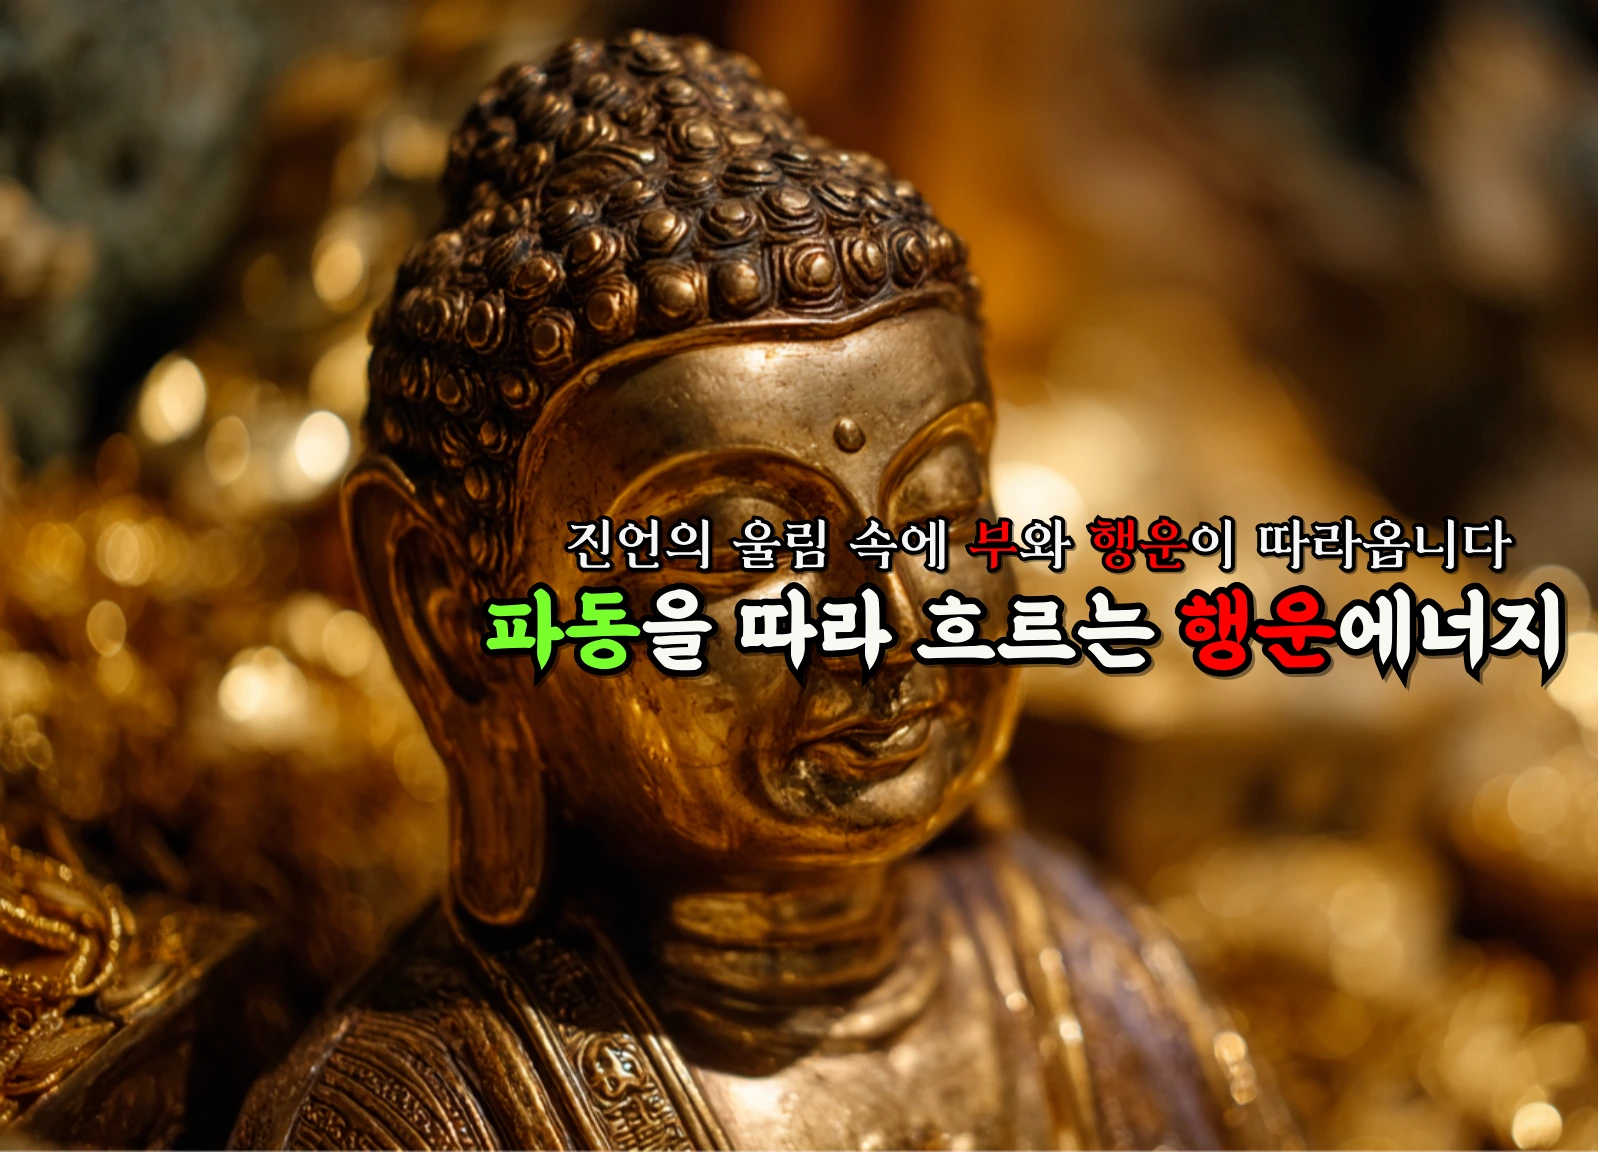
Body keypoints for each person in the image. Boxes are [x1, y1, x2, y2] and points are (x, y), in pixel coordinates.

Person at [232, 31, 1294, 1151]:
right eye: (746, 551)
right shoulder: (414, 1119)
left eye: (938, 515)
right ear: (455, 619)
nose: (891, 626)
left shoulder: (1098, 981)